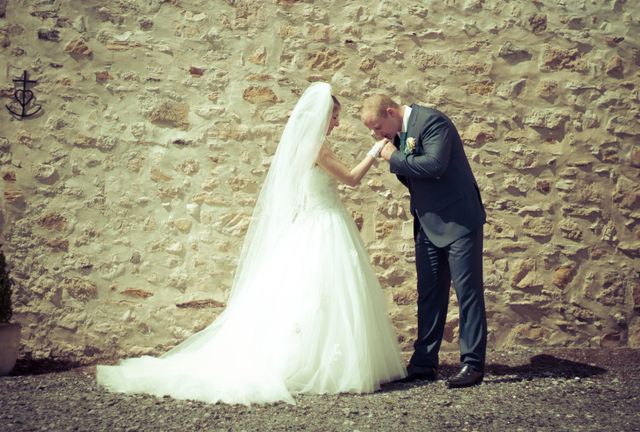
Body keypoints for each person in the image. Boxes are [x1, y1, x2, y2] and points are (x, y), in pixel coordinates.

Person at [97, 83, 406, 404]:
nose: (337, 123)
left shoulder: (302, 146)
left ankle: (322, 359)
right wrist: (375, 151)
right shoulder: (318, 147)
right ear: (322, 117)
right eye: (335, 117)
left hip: (315, 220)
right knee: (326, 292)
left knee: (315, 295)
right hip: (324, 222)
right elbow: (352, 180)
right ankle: (321, 365)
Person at [361, 94, 487, 389]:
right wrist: (400, 159)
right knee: (429, 292)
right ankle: (424, 363)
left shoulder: (432, 121)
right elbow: (412, 176)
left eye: (378, 127)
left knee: (467, 293)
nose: (376, 135)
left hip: (459, 219)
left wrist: (394, 156)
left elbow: (433, 166)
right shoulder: (400, 130)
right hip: (427, 222)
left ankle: (472, 363)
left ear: (391, 112)